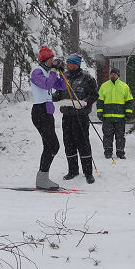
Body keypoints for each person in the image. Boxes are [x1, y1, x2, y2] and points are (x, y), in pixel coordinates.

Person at [53, 53, 99, 184]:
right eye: (67, 63)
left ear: (76, 64)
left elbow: (94, 95)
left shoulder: (87, 78)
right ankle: (72, 170)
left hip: (81, 116)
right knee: (69, 143)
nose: (68, 65)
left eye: (71, 63)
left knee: (83, 144)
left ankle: (88, 173)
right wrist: (52, 97)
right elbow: (58, 93)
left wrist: (84, 103)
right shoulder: (64, 76)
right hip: (67, 115)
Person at [30, 46, 67, 190]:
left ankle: (42, 178)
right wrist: (53, 72)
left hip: (47, 112)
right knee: (53, 145)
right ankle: (42, 178)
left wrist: (61, 72)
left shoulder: (48, 72)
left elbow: (62, 86)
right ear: (44, 60)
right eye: (51, 60)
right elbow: (46, 85)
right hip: (39, 112)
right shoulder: (36, 71)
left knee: (49, 145)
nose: (53, 63)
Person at [97, 68, 134, 160]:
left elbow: (129, 101)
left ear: (118, 75)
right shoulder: (104, 86)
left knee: (120, 136)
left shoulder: (124, 86)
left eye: (115, 74)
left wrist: (128, 112)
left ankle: (120, 152)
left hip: (120, 118)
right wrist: (100, 112)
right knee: (107, 136)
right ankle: (108, 152)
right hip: (107, 117)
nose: (113, 75)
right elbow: (100, 101)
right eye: (111, 74)